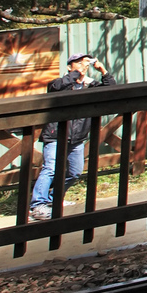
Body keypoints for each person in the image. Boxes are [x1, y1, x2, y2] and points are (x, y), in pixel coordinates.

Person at [29, 52, 116, 221]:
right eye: (78, 63)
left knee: (75, 172)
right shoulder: (60, 84)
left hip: (77, 138)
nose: (83, 66)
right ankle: (37, 205)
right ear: (69, 67)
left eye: (86, 63)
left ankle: (53, 200)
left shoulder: (89, 86)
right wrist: (77, 72)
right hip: (55, 135)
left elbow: (111, 90)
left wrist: (103, 70)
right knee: (51, 169)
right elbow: (54, 88)